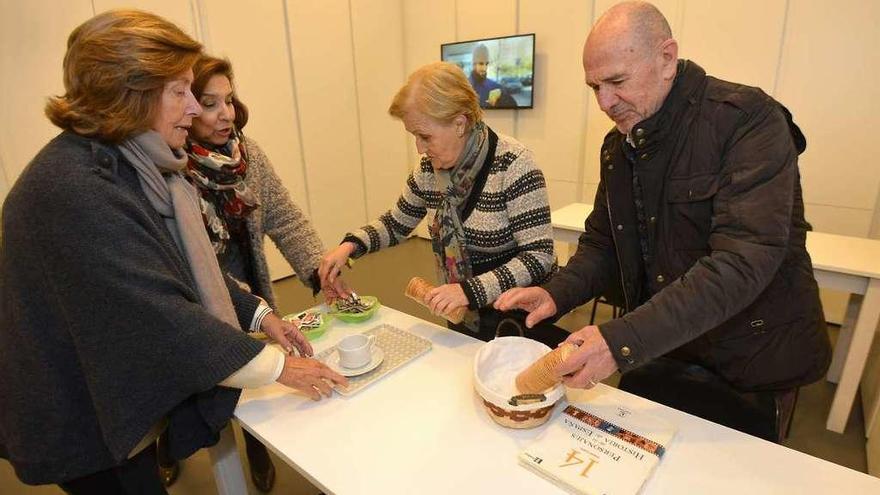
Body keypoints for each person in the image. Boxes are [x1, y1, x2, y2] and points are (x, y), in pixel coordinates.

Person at [0, 10, 346, 494]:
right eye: (180, 92)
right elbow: (162, 314)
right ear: (131, 94)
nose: (194, 110)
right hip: (85, 414)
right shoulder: (74, 188)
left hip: (112, 390)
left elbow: (181, 264)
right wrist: (280, 367)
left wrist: (260, 314)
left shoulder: (125, 164)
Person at [495, 0, 831, 442]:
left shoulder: (747, 120)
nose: (604, 102)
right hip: (665, 344)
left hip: (750, 356)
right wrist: (556, 292)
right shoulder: (619, 147)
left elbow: (741, 263)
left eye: (616, 81)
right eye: (594, 86)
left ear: (667, 59)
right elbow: (604, 245)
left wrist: (619, 340)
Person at [319, 62, 566, 346]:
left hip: (520, 320)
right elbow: (396, 223)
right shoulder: (428, 170)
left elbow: (538, 256)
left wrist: (468, 291)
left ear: (459, 123)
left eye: (425, 136)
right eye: (414, 136)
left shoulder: (513, 164)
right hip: (463, 311)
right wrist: (350, 246)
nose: (420, 148)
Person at [469, 44, 517, 108]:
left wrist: (502, 95)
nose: (485, 68)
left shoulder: (495, 87)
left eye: (487, 63)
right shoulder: (462, 87)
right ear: (473, 64)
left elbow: (514, 106)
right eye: (481, 63)